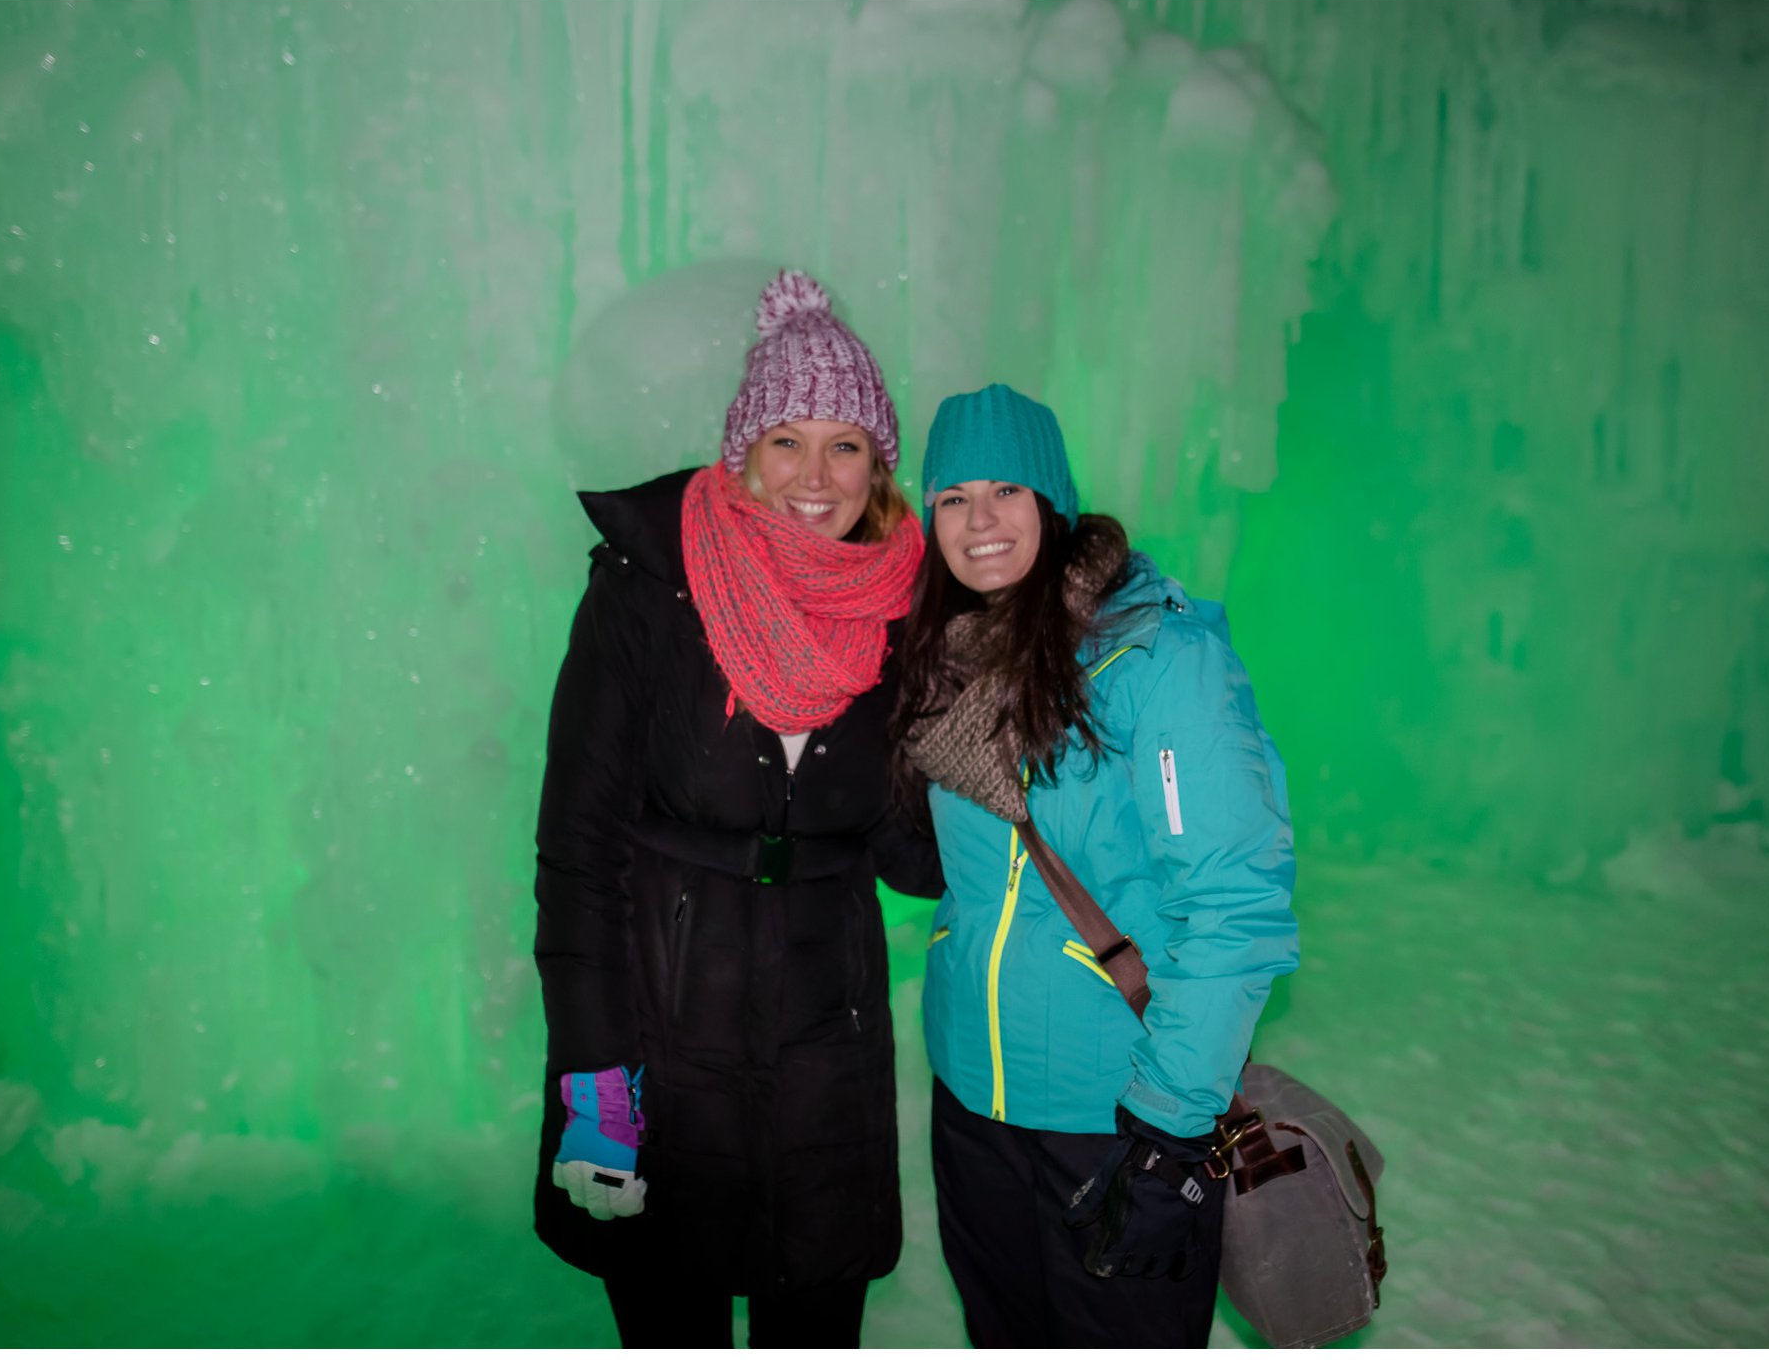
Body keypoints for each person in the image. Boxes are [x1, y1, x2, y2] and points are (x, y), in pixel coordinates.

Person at [532, 270, 942, 1348]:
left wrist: (990, 744)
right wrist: (593, 1077)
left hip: (826, 1055)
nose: (816, 476)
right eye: (786, 441)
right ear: (741, 452)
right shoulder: (644, 592)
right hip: (662, 1044)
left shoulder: (902, 613)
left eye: (845, 444)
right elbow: (576, 849)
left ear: (877, 464)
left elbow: (910, 855)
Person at [889, 383, 1300, 1348]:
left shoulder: (1157, 656)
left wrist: (1167, 1135)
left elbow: (1233, 907)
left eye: (1007, 490)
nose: (979, 520)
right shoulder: (945, 660)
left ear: (1053, 502)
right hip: (975, 1108)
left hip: (1115, 1118)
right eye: (953, 497)